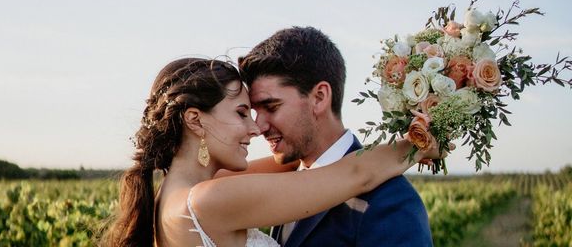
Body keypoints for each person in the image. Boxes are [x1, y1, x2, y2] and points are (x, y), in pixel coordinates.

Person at [101, 57, 443, 247]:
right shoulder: (211, 199)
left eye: (266, 109)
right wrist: (421, 142)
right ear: (195, 120)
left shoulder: (174, 194)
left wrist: (288, 132)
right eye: (241, 113)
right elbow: (357, 172)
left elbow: (289, 162)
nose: (256, 127)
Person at [238, 26, 434, 246]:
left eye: (271, 107)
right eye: (255, 111)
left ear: (319, 98)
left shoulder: (389, 202)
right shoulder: (287, 183)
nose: (258, 126)